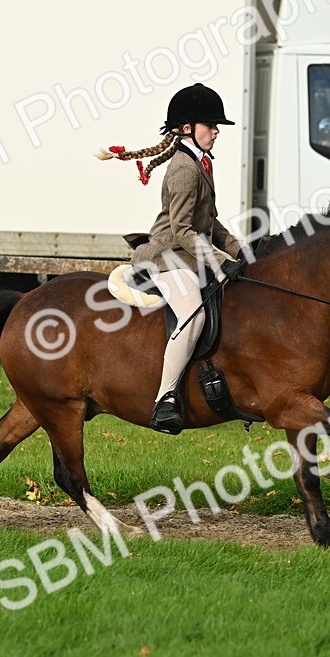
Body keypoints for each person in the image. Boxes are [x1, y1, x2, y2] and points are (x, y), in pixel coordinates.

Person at [99, 83, 246, 434]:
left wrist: (242, 252)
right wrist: (218, 261)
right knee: (193, 313)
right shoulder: (183, 169)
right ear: (186, 129)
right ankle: (165, 399)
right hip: (167, 256)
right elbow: (181, 230)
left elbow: (210, 221)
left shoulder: (200, 164)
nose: (215, 132)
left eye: (216, 126)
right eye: (210, 125)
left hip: (187, 254)